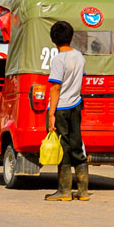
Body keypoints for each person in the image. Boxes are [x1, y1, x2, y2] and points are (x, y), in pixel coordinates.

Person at [45, 20, 89, 202]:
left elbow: (56, 87)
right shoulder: (79, 56)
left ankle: (64, 191)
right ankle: (83, 191)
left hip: (61, 108)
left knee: (63, 148)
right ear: (71, 38)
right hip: (76, 105)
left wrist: (51, 114)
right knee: (77, 146)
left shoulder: (58, 59)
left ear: (53, 40)